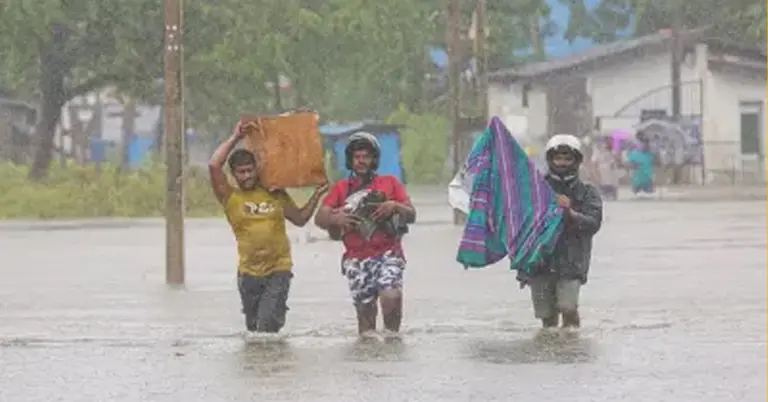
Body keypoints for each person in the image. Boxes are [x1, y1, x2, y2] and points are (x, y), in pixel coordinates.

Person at [208, 122, 328, 335]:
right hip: (248, 272)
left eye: (249, 171)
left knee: (267, 325)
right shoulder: (230, 197)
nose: (246, 176)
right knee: (254, 331)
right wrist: (235, 137)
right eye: (241, 172)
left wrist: (317, 195)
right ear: (234, 175)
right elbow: (214, 165)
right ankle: (261, 367)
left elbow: (299, 219)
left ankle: (274, 365)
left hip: (278, 269)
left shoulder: (275, 193)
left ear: (257, 169)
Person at [314, 132, 416, 341]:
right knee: (366, 323)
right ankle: (369, 361)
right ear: (351, 160)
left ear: (374, 159)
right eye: (357, 157)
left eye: (366, 157)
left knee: (391, 297)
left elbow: (412, 214)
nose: (361, 161)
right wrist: (336, 219)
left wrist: (394, 205)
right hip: (356, 258)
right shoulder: (341, 189)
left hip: (389, 252)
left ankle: (393, 342)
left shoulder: (391, 183)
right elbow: (320, 218)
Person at [526, 134, 603, 334]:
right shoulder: (534, 188)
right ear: (550, 160)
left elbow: (593, 224)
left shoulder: (587, 192)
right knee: (547, 318)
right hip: (540, 261)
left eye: (568, 159)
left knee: (568, 307)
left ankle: (572, 342)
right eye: (558, 158)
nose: (562, 163)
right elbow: (521, 221)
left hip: (572, 260)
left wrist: (570, 213)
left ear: (576, 161)